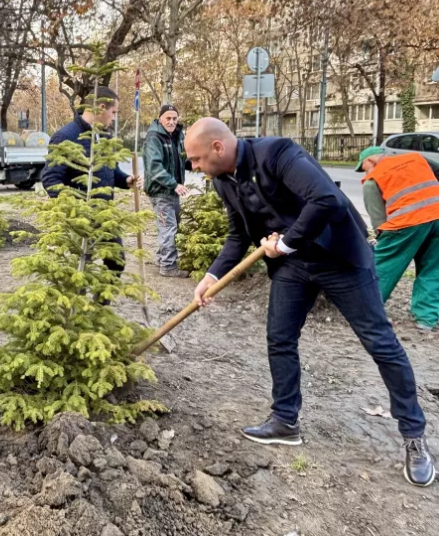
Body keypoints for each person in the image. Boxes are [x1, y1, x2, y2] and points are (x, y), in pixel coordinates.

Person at [185, 117, 434, 487]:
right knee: (279, 338)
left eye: (197, 159)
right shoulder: (224, 181)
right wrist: (212, 275)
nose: (194, 167)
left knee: (380, 344)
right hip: (293, 268)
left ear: (218, 148)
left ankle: (414, 436)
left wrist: (285, 243)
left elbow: (326, 200)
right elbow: (239, 235)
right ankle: (285, 420)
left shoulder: (278, 153)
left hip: (340, 259)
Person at [40, 86, 142, 273]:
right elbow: (50, 179)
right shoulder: (65, 136)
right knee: (79, 270)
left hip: (104, 216)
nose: (114, 118)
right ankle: (76, 301)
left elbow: (112, 172)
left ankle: (100, 302)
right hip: (78, 220)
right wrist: (74, 209)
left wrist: (127, 180)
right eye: (113, 112)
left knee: (116, 262)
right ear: (101, 108)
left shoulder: (105, 136)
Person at [358, 146, 439, 331]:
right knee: (433, 268)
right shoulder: (416, 158)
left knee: (382, 267)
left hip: (407, 222)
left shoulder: (373, 179)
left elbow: (378, 221)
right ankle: (426, 320)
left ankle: (365, 313)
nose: (364, 173)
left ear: (371, 161)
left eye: (363, 168)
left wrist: (382, 237)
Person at [143, 104, 190, 277]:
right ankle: (168, 267)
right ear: (160, 118)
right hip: (161, 192)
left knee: (173, 227)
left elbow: (182, 160)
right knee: (168, 228)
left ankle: (162, 258)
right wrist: (174, 184)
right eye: (168, 118)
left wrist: (201, 165)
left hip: (173, 192)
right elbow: (154, 168)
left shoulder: (175, 136)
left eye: (174, 118)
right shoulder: (154, 137)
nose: (171, 121)